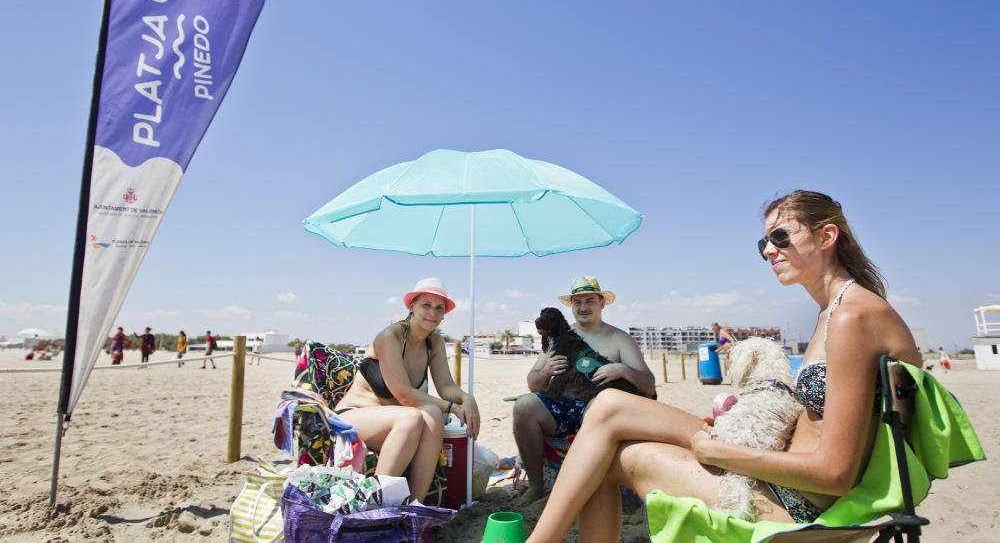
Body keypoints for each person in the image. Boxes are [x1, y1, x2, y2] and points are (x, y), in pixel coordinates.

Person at [526, 191, 922, 542]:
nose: (769, 249)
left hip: (796, 505)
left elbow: (835, 472)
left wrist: (719, 452)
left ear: (826, 237)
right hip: (783, 469)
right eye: (764, 241)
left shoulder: (853, 318)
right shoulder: (835, 312)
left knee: (606, 460)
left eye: (781, 237)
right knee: (610, 405)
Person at [333, 277, 481, 503]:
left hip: (397, 424)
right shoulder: (390, 337)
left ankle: (415, 507)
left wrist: (465, 399)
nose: (432, 312)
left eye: (439, 308)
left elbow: (446, 386)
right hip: (354, 417)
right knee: (413, 417)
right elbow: (403, 393)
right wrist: (451, 408)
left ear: (444, 315)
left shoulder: (435, 342)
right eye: (426, 305)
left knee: (431, 415)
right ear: (411, 306)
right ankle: (377, 506)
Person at [513, 276, 656, 504]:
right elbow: (533, 383)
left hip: (603, 415)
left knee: (598, 404)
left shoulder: (619, 338)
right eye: (577, 302)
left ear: (602, 303)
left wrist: (623, 370)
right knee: (523, 406)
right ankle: (536, 486)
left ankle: (599, 489)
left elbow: (649, 384)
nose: (583, 307)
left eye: (590, 301)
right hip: (562, 409)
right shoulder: (560, 336)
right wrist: (546, 370)